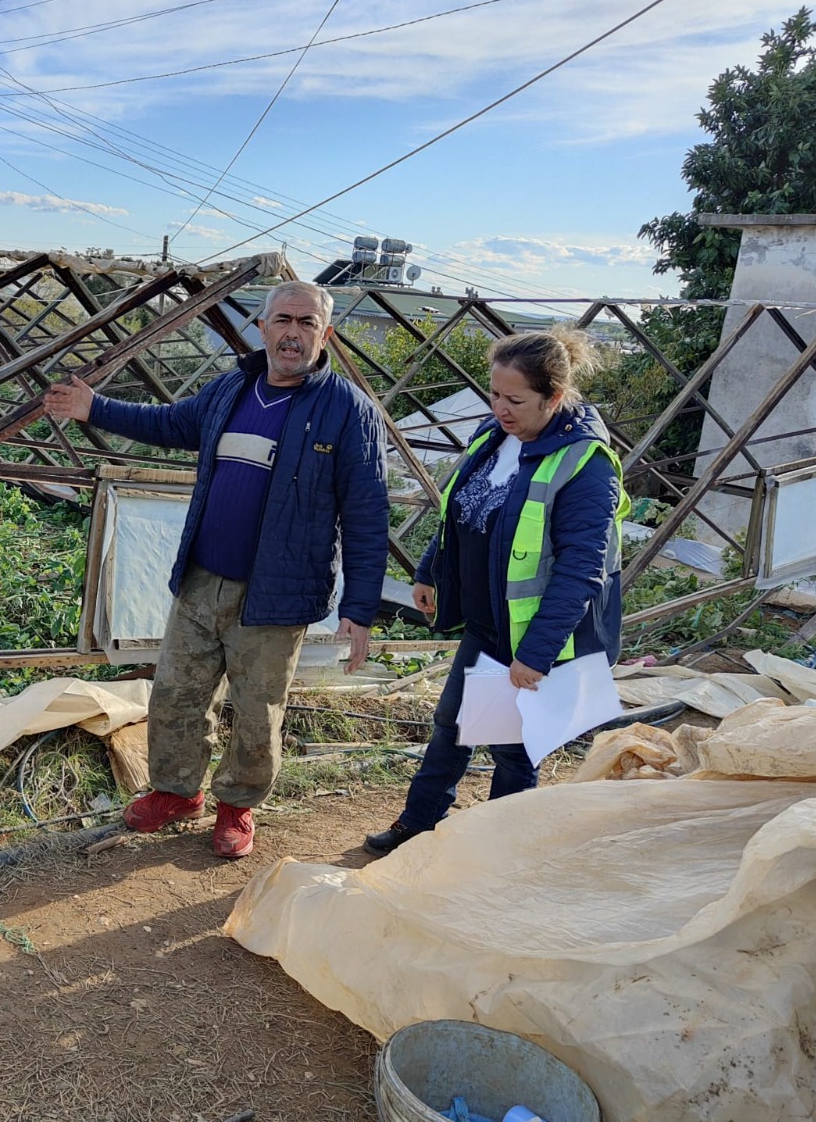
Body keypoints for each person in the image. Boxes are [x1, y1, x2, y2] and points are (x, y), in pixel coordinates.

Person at [45, 282, 389, 858]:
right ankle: (177, 792)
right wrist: (95, 408)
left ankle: (237, 805)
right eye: (284, 319)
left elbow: (367, 513)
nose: (293, 333)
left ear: (325, 334)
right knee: (177, 694)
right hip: (203, 577)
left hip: (277, 593)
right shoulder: (233, 387)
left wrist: (360, 610)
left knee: (258, 709)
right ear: (262, 325)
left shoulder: (348, 411)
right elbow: (172, 424)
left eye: (308, 323)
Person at [364, 328, 626, 856]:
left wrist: (536, 654)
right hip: (489, 623)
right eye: (494, 394)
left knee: (513, 749)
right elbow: (457, 512)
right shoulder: (495, 437)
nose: (500, 408)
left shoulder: (585, 465)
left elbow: (581, 569)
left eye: (515, 399)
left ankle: (500, 854)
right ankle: (419, 826)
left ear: (554, 398)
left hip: (533, 636)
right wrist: (429, 569)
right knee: (454, 725)